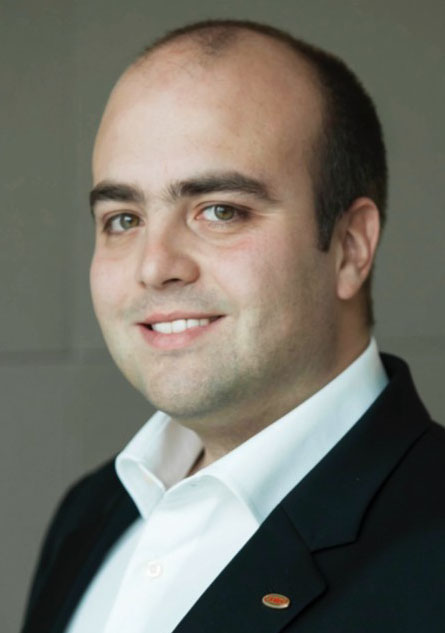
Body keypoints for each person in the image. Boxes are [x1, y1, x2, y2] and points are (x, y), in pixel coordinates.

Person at [21, 19, 445, 633]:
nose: (154, 266)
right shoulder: (90, 515)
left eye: (219, 210)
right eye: (123, 219)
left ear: (351, 247)